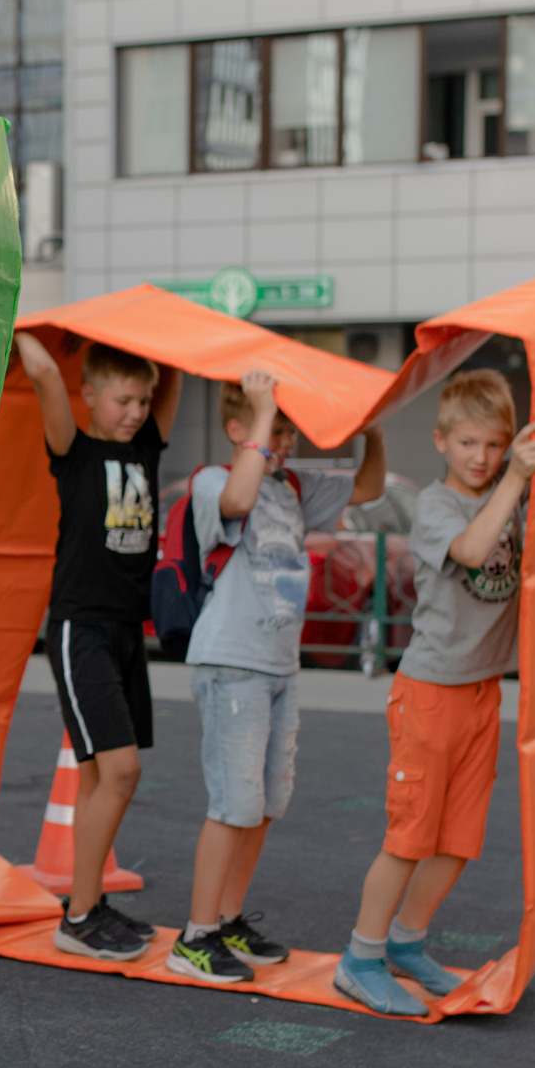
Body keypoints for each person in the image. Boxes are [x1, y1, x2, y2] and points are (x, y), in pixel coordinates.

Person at [335, 370, 535, 1017]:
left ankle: (405, 941)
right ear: (441, 442)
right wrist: (515, 477)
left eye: (494, 445)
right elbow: (477, 552)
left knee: (458, 839)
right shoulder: (437, 505)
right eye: (469, 443)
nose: (481, 457)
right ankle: (359, 957)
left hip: (482, 690)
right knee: (409, 837)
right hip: (429, 692)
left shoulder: (509, 494)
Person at [170, 372, 384, 982]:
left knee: (263, 804)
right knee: (233, 804)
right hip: (232, 662)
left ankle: (229, 919)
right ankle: (196, 935)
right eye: (273, 428)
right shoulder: (217, 481)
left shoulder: (290, 486)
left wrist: (372, 431)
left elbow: (367, 487)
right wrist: (262, 412)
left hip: (279, 666)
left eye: (288, 430)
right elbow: (237, 502)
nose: (284, 442)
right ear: (240, 429)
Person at [15, 331, 184, 962]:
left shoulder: (145, 448)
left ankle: (85, 907)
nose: (136, 411)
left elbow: (175, 375)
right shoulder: (76, 452)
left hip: (123, 633)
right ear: (90, 397)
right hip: (79, 628)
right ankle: (80, 914)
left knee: (95, 776)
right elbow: (44, 377)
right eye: (122, 400)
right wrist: (24, 323)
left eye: (142, 400)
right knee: (121, 771)